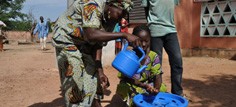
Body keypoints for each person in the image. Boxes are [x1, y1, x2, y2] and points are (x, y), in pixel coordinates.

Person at [52, 0, 140, 107]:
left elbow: (98, 44)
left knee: (92, 78)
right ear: (111, 5)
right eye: (120, 14)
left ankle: (89, 104)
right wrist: (124, 35)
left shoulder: (110, 21)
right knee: (75, 79)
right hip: (66, 38)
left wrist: (100, 71)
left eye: (124, 16)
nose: (120, 19)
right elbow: (91, 34)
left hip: (83, 42)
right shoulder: (93, 4)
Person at [116, 25, 167, 107]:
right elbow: (127, 78)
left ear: (150, 40)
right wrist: (143, 86)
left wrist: (156, 89)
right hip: (132, 84)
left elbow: (157, 76)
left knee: (162, 88)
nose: (143, 44)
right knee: (124, 88)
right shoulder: (129, 56)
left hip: (147, 85)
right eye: (140, 41)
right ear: (134, 40)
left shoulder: (153, 56)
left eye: (146, 41)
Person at [141, 0, 184, 96]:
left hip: (171, 29)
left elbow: (173, 6)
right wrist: (150, 23)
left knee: (177, 61)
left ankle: (177, 92)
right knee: (156, 64)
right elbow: (146, 8)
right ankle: (156, 91)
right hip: (155, 29)